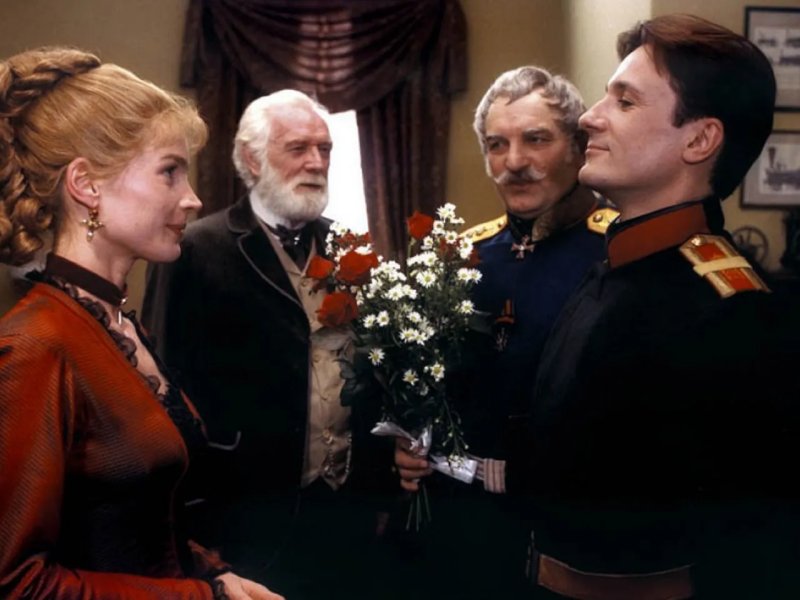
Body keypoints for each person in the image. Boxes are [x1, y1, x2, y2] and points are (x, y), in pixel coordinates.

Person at [521, 15, 799, 599]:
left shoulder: (727, 311)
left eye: (624, 102)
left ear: (699, 141)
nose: (589, 117)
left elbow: (753, 542)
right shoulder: (614, 269)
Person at [0, 47, 281, 600]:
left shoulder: (118, 326)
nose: (193, 199)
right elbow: (18, 585)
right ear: (86, 185)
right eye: (169, 172)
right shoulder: (34, 345)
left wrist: (214, 575)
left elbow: (140, 520)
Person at [143, 90, 394, 599]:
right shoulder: (195, 249)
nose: (316, 162)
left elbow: (375, 376)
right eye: (298, 148)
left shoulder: (351, 248)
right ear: (252, 159)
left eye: (324, 149)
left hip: (347, 516)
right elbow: (163, 386)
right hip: (246, 518)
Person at [393, 66, 614, 599]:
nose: (514, 162)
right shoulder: (461, 256)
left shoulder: (619, 251)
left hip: (570, 534)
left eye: (536, 139)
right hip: (457, 529)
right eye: (497, 145)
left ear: (577, 147)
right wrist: (406, 442)